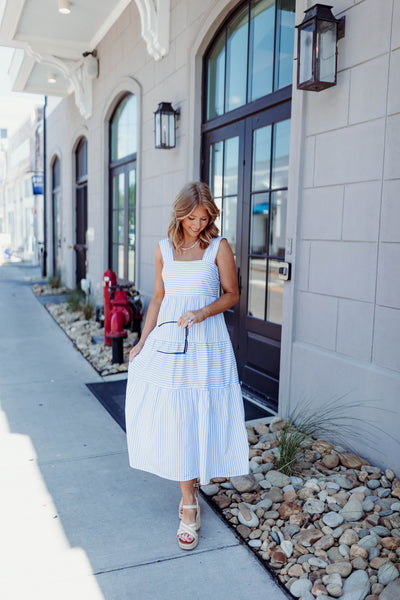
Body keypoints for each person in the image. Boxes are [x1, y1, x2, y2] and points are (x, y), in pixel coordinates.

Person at [125, 181, 249, 551]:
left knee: (200, 412)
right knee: (176, 416)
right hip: (168, 341)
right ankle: (188, 502)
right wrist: (143, 341)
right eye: (192, 217)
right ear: (179, 214)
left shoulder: (218, 247)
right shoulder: (163, 249)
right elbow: (159, 298)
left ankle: (196, 482)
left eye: (204, 216)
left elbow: (232, 294)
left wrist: (201, 312)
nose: (198, 223)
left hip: (208, 344)